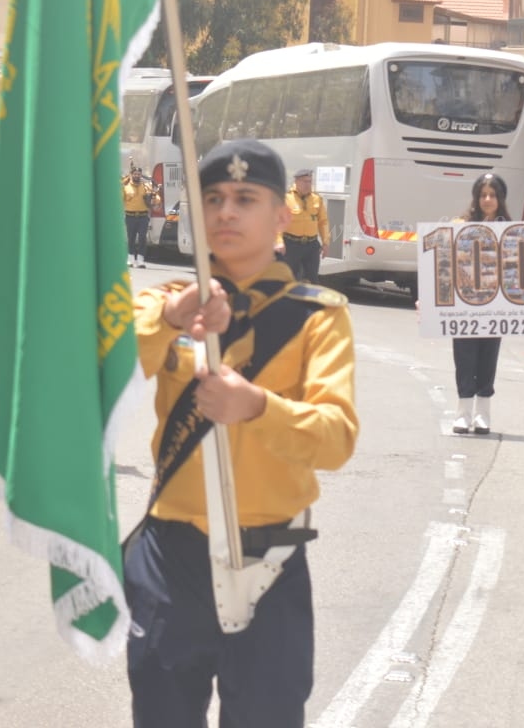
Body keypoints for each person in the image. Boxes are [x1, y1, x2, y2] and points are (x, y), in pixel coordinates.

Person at [126, 138, 357, 728]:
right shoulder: (163, 303)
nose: (226, 211)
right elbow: (93, 367)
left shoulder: (317, 315)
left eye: (245, 198)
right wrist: (172, 319)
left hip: (268, 558)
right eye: (213, 198)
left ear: (282, 216)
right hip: (172, 552)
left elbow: (336, 438)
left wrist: (256, 406)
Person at [451, 172, 509, 435]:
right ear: (476, 198)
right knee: (464, 358)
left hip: (495, 306)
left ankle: (483, 414)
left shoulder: (511, 229)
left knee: (488, 358)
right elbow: (443, 263)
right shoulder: (459, 225)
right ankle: (463, 414)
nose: (488, 199)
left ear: (500, 199)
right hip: (464, 305)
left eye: (493, 195)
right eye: (483, 195)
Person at [278, 168, 329, 284]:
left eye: (310, 181)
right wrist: (279, 241)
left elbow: (323, 222)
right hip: (291, 245)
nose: (308, 185)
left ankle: (311, 302)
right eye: (305, 181)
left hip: (311, 246)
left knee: (312, 279)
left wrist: (326, 242)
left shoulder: (316, 199)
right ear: (296, 182)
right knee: (288, 279)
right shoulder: (286, 199)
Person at [122, 166, 155, 269]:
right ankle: (131, 258)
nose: (137, 176)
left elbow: (155, 198)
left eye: (139, 174)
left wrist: (154, 198)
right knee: (131, 238)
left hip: (143, 217)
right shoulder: (125, 188)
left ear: (141, 175)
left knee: (142, 238)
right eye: (135, 174)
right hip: (130, 216)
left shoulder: (146, 187)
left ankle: (140, 260)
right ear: (131, 175)